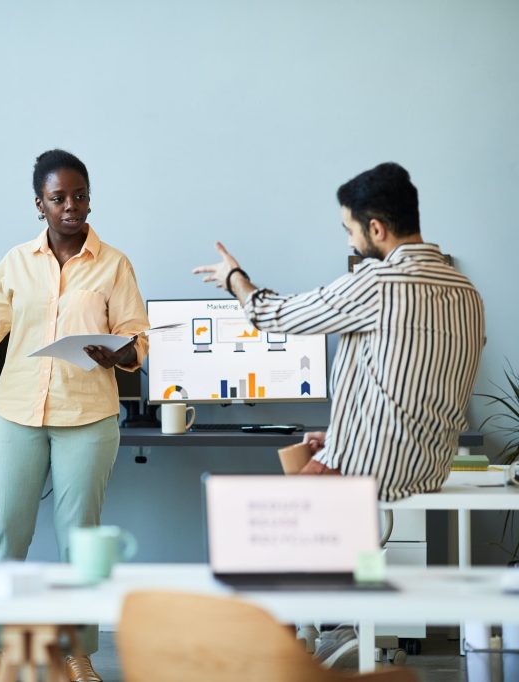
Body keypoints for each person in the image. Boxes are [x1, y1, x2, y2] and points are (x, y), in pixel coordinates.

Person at [193, 161, 485, 666]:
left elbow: (274, 315)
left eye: (351, 230)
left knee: (261, 527)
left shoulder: (378, 282)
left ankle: (298, 644)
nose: (351, 243)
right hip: (430, 466)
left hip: (375, 469)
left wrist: (234, 278)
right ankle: (328, 626)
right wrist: (344, 431)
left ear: (377, 228)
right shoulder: (465, 291)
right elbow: (412, 386)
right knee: (305, 458)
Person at [0, 149, 149, 682]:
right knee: (8, 535)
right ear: (39, 204)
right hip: (18, 414)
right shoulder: (15, 262)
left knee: (80, 540)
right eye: (58, 198)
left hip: (88, 417)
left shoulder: (115, 264)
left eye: (79, 196)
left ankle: (78, 654)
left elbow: (138, 342)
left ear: (89, 199)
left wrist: (120, 355)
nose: (71, 207)